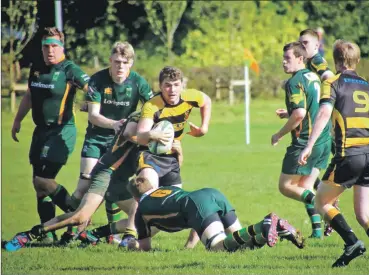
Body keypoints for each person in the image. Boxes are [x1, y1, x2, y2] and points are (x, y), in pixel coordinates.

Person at [3, 111, 172, 252]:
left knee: (153, 218)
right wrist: (152, 137)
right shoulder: (140, 115)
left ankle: (95, 234)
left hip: (120, 182)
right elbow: (129, 134)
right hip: (106, 172)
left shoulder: (163, 120)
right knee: (80, 216)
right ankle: (28, 235)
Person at [298, 40, 369, 267]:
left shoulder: (332, 83)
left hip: (348, 155)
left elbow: (323, 114)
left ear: (336, 61)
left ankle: (352, 242)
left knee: (321, 201)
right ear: (357, 61)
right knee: (364, 214)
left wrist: (309, 145)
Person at [60, 41, 154, 244]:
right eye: (117, 61)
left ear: (131, 63)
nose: (120, 66)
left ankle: (111, 236)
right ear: (110, 60)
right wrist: (114, 124)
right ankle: (69, 231)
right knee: (84, 186)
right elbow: (93, 115)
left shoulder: (139, 83)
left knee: (114, 187)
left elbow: (153, 108)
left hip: (122, 143)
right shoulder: (97, 80)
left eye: (125, 62)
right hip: (96, 139)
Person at [10, 27, 90, 243]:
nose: (50, 50)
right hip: (40, 132)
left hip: (61, 132)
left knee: (43, 181)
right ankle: (48, 236)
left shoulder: (69, 69)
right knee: (39, 187)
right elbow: (29, 95)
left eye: (54, 46)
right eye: (46, 46)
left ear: (62, 47)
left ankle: (80, 215)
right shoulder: (36, 68)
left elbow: (91, 87)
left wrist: (93, 105)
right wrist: (17, 120)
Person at [120, 66, 212, 247]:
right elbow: (141, 134)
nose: (172, 90)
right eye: (168, 85)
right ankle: (128, 236)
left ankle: (132, 236)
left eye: (176, 85)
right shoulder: (152, 105)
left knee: (172, 203)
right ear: (161, 86)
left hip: (171, 158)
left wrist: (204, 128)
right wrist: (154, 135)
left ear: (182, 85)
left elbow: (207, 101)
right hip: (149, 155)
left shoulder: (190, 97)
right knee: (146, 192)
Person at [125, 177, 305, 252]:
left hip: (197, 205)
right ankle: (278, 228)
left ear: (135, 197)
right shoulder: (166, 189)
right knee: (242, 245)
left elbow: (145, 246)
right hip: (212, 193)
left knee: (218, 248)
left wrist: (131, 245)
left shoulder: (141, 210)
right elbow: (194, 219)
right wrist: (188, 246)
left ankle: (264, 224)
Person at [272, 42, 332, 239]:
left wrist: (279, 134)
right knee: (305, 186)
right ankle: (318, 231)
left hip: (304, 142)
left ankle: (327, 207)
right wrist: (287, 114)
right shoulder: (313, 76)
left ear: (300, 58)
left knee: (286, 186)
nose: (283, 62)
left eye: (288, 58)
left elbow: (299, 114)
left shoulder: (294, 81)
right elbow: (309, 108)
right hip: (323, 140)